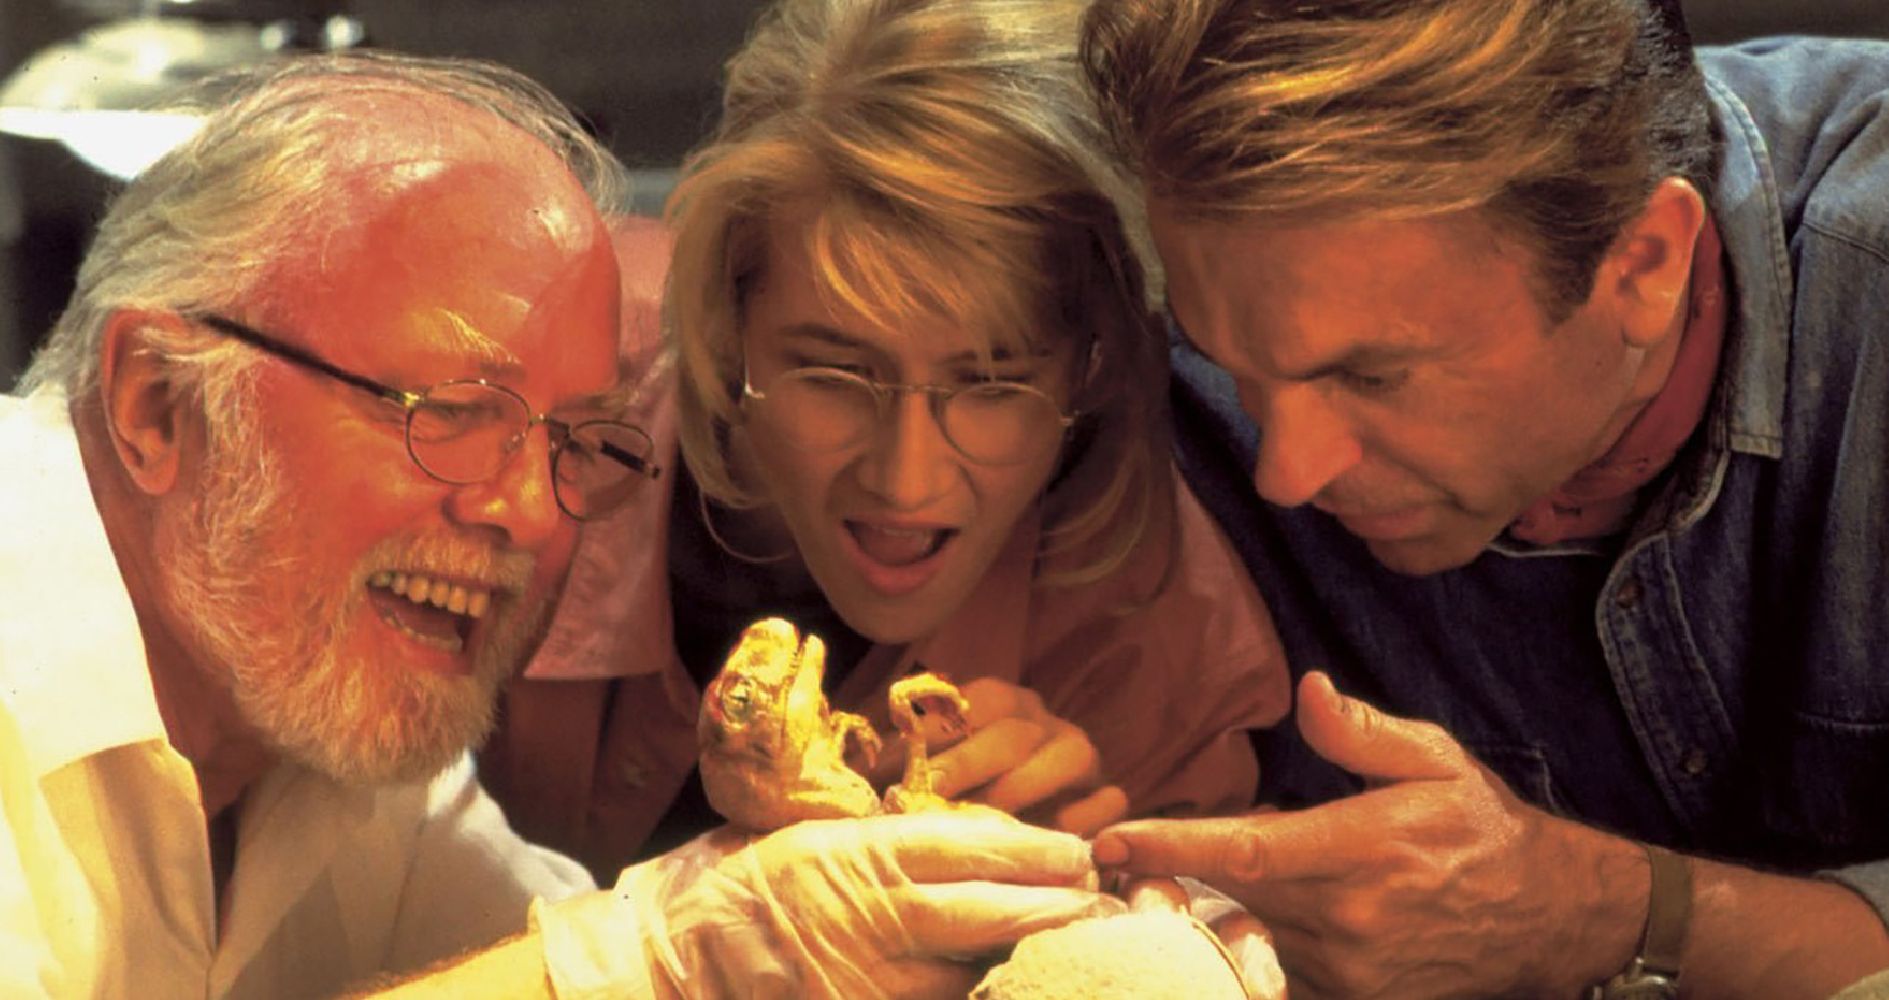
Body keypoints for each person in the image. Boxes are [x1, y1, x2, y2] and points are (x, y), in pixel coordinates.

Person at [0, 50, 1118, 998]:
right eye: (449, 415)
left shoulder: (335, 722)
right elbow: (611, 968)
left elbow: (560, 954)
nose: (532, 514)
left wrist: (908, 878)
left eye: (577, 443)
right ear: (158, 401)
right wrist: (662, 955)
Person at [1074, 0, 1889, 997]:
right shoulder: (1154, 378)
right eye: (1232, 364)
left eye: (1371, 377)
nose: (1283, 474)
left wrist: (1594, 910)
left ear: (1643, 265)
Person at [477, 0, 1292, 883]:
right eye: (834, 374)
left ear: (1089, 363)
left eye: (992, 383)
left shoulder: (1171, 662)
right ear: (725, 315)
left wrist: (1094, 895)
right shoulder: (514, 397)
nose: (907, 480)